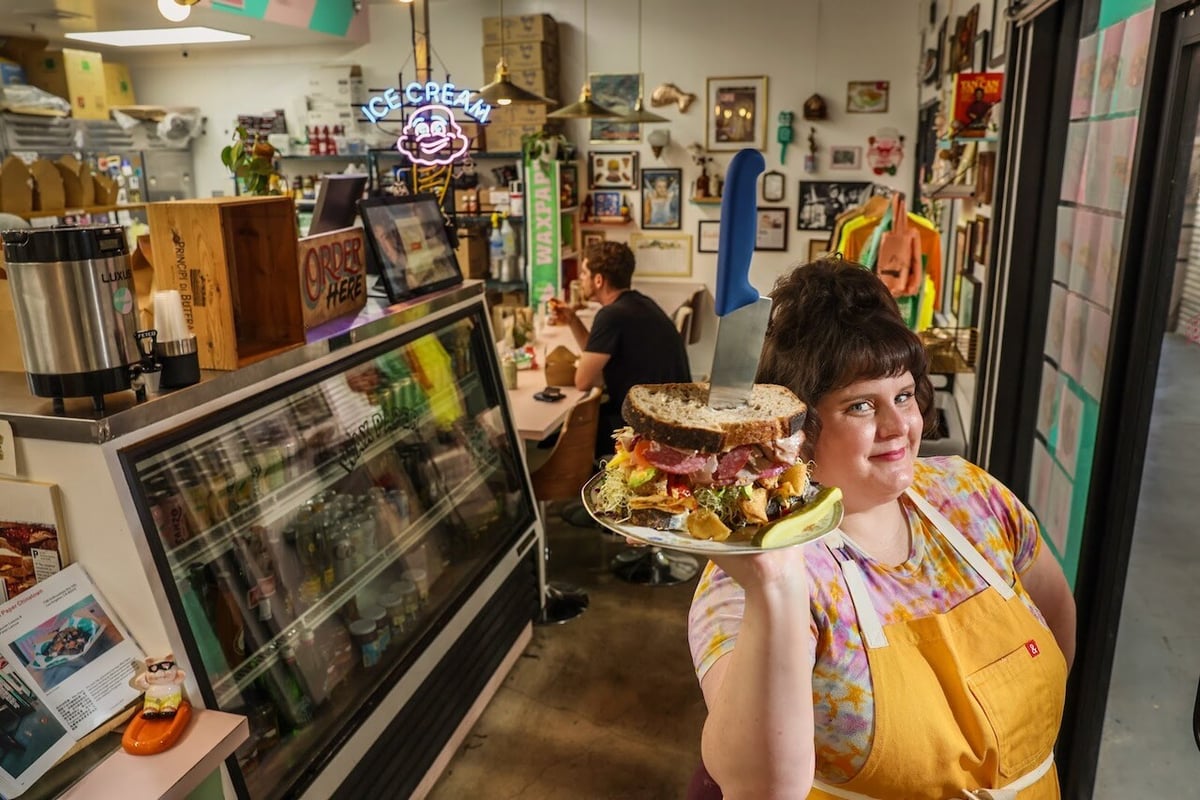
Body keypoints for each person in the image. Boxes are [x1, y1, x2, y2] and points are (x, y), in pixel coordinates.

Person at [687, 259, 1076, 799]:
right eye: (861, 405)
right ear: (798, 426)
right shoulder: (755, 573)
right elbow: (755, 787)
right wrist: (773, 588)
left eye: (904, 395)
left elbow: (1057, 619)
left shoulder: (971, 495)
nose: (899, 427)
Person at [552, 241, 690, 458]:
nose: (581, 278)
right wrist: (572, 319)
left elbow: (583, 380)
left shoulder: (610, 316)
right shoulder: (641, 303)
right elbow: (597, 351)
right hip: (671, 416)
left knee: (560, 433)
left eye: (585, 272)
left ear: (598, 280)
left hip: (648, 426)